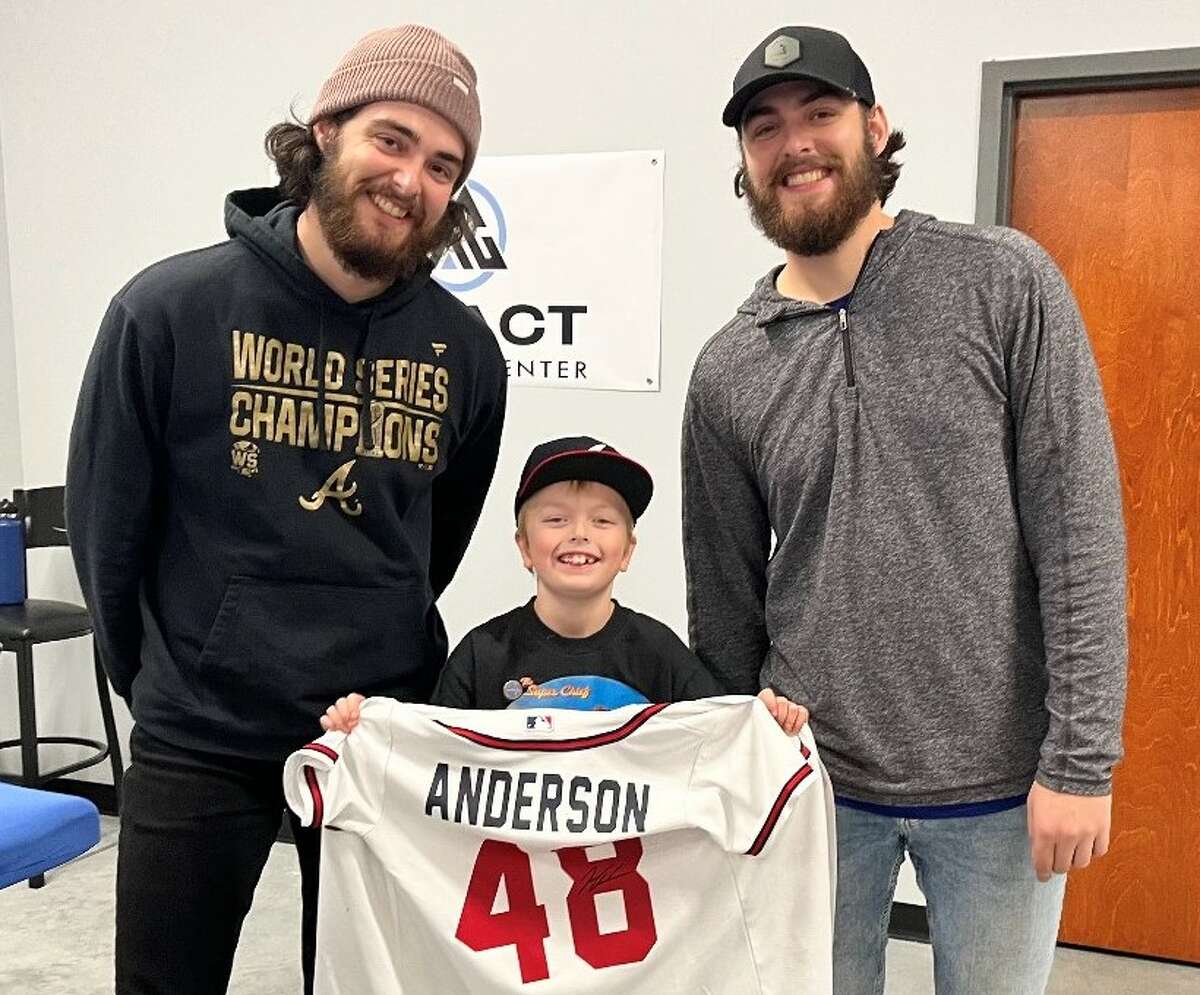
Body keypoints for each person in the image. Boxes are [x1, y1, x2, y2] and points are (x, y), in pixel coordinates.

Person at [682, 25, 1127, 995]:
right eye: (765, 127)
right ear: (747, 163)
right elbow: (724, 604)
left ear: (876, 127)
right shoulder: (729, 366)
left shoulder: (1002, 281)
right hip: (811, 788)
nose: (794, 141)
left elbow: (1079, 530)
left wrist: (1082, 759)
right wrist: (734, 769)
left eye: (820, 113)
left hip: (1004, 786)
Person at [65, 24, 507, 995]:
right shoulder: (167, 309)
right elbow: (109, 531)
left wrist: (376, 643)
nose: (411, 179)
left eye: (444, 164)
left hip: (374, 733)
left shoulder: (465, 352)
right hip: (198, 733)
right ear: (325, 133)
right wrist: (170, 679)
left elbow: (434, 540)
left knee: (371, 985)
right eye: (392, 140)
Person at [322, 436, 806, 733]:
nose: (580, 533)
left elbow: (722, 735)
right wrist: (370, 729)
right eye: (556, 518)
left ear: (628, 552)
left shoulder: (658, 653)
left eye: (602, 520)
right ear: (525, 547)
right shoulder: (481, 653)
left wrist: (761, 722)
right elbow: (427, 752)